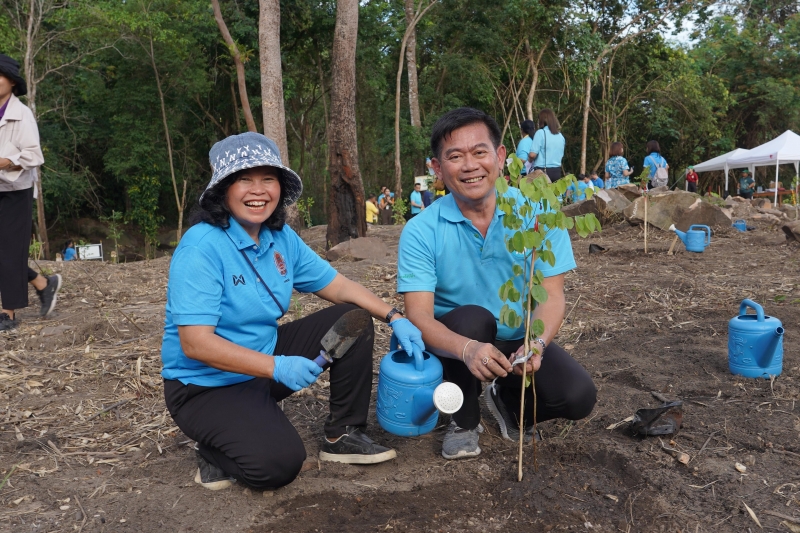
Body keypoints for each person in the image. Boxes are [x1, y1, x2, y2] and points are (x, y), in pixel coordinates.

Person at [161, 132, 425, 491]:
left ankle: (343, 434)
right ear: (223, 189)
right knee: (278, 466)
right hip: (205, 387)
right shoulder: (201, 248)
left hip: (262, 360)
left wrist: (396, 316)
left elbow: (339, 286)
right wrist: (278, 366)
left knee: (355, 318)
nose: (258, 190)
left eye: (268, 178)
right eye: (244, 179)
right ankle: (213, 449)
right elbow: (195, 344)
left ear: (280, 187)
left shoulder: (280, 238)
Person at [397, 107, 596, 460]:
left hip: (518, 339)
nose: (470, 165)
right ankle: (463, 418)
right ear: (438, 169)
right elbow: (418, 317)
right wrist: (467, 349)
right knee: (473, 319)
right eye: (455, 156)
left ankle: (507, 401)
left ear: (501, 156)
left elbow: (551, 296)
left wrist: (537, 342)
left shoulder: (536, 214)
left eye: (479, 152)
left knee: (579, 396)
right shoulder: (421, 230)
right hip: (454, 343)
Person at [0, 54, 61, 331]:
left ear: (11, 82)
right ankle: (43, 283)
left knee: (11, 251)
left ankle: (8, 314)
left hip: (15, 189)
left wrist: (7, 161)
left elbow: (34, 155)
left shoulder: (21, 113)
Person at [530, 109, 566, 181]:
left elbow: (532, 155)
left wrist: (529, 160)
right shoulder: (560, 136)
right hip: (557, 172)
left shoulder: (540, 133)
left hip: (542, 171)